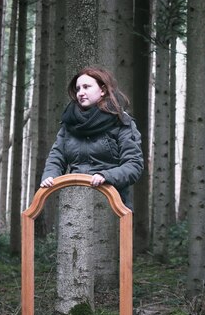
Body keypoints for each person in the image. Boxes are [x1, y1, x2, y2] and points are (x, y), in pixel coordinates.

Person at [40, 66, 144, 210]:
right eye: (78, 89)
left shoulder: (122, 122)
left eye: (86, 87)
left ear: (102, 90)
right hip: (74, 205)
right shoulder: (69, 123)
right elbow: (56, 157)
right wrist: (50, 176)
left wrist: (105, 176)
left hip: (113, 204)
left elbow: (134, 165)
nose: (81, 93)